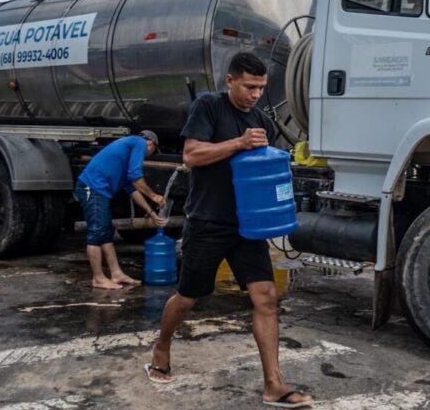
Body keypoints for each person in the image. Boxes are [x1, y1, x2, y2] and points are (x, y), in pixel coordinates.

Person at [144, 53, 313, 408]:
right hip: (208, 221)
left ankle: (273, 384)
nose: (255, 94)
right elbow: (191, 156)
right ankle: (162, 344)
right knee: (188, 296)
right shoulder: (209, 107)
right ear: (230, 81)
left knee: (265, 297)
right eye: (250, 87)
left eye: (261, 88)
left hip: (247, 225)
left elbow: (262, 171)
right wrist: (238, 143)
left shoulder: (259, 120)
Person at [74, 130, 167, 290]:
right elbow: (136, 176)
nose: (147, 155)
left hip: (98, 190)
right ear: (151, 142)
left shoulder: (125, 155)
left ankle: (116, 273)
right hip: (90, 188)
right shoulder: (139, 142)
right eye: (151, 151)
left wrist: (151, 213)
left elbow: (133, 190)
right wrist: (154, 196)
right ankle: (98, 278)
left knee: (106, 231)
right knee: (97, 232)